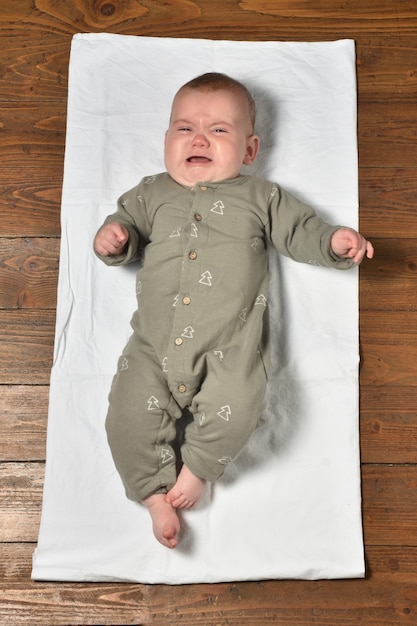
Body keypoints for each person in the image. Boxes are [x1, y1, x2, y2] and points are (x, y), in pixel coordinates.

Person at [94, 72, 374, 549]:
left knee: (239, 405)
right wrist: (113, 238)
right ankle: (154, 497)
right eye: (184, 128)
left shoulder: (261, 196)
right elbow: (125, 225)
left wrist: (332, 241)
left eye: (219, 130)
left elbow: (299, 231)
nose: (198, 138)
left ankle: (199, 468)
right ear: (166, 140)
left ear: (249, 151)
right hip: (152, 346)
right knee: (124, 417)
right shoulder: (151, 192)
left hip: (232, 346)